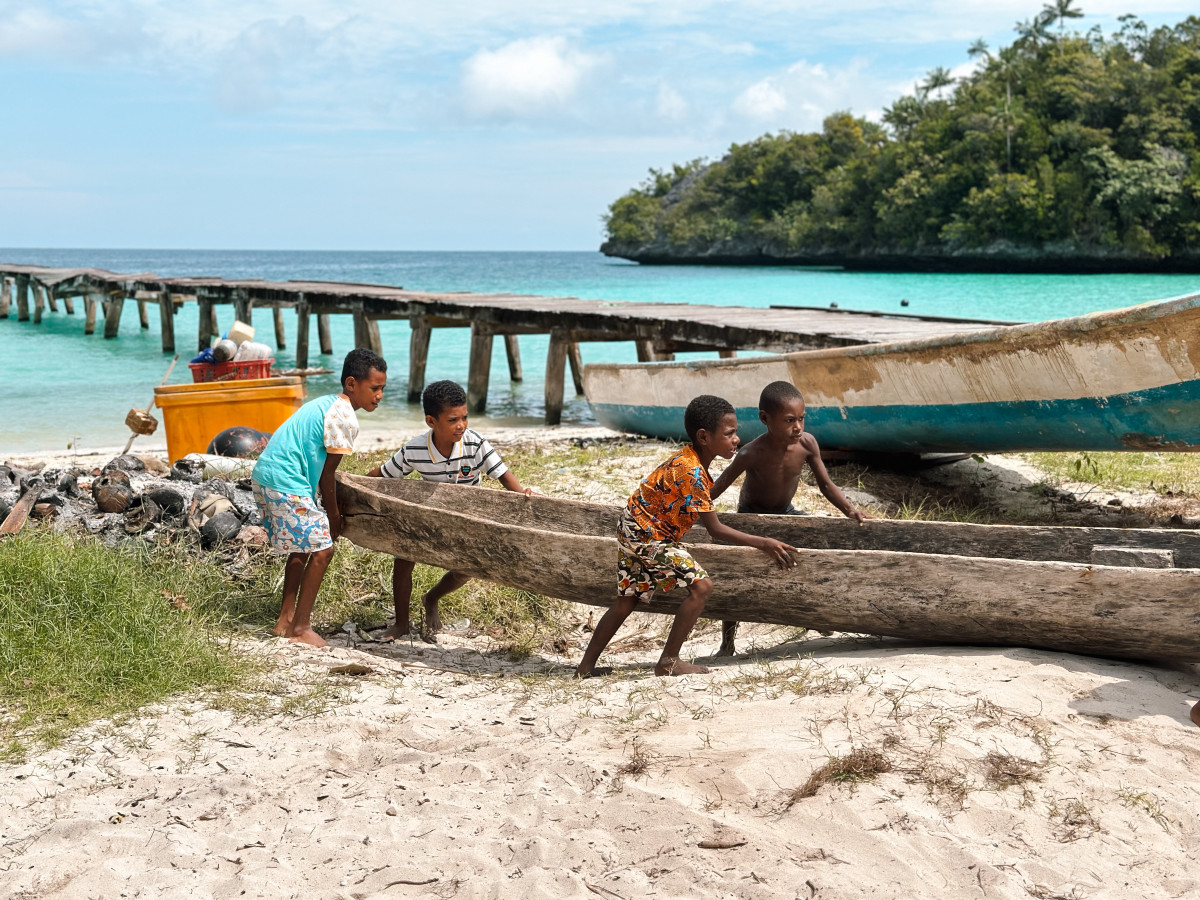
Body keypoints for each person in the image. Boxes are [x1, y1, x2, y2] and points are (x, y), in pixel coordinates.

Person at [575, 394, 798, 678]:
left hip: (634, 528)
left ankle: (584, 669)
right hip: (647, 535)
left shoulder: (691, 462)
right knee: (701, 587)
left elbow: (702, 504)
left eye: (735, 433)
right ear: (704, 437)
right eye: (729, 433)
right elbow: (715, 529)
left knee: (626, 601)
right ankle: (668, 661)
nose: (737, 439)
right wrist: (764, 542)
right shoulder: (691, 471)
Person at [366, 380, 536, 642]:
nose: (461, 425)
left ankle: (431, 598)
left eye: (465, 417)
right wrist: (357, 486)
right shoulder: (415, 449)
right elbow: (384, 474)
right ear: (431, 421)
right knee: (402, 558)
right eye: (453, 419)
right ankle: (401, 624)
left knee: (467, 568)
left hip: (467, 519)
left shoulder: (475, 443)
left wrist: (523, 493)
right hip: (431, 516)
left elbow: (503, 475)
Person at [710, 380, 869, 656]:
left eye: (801, 419)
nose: (798, 427)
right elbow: (717, 488)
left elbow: (826, 486)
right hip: (752, 517)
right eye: (789, 420)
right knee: (738, 574)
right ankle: (727, 643)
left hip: (786, 513)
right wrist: (683, 504)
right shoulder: (751, 453)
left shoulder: (807, 444)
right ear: (765, 419)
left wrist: (850, 510)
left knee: (814, 552)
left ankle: (815, 616)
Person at [250, 348, 388, 648]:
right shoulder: (345, 417)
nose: (379, 395)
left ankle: (284, 622)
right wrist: (333, 516)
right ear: (352, 384)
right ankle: (301, 627)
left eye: (382, 389)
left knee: (301, 549)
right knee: (323, 550)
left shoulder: (327, 403)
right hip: (287, 482)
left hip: (266, 476)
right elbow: (327, 477)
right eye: (374, 388)